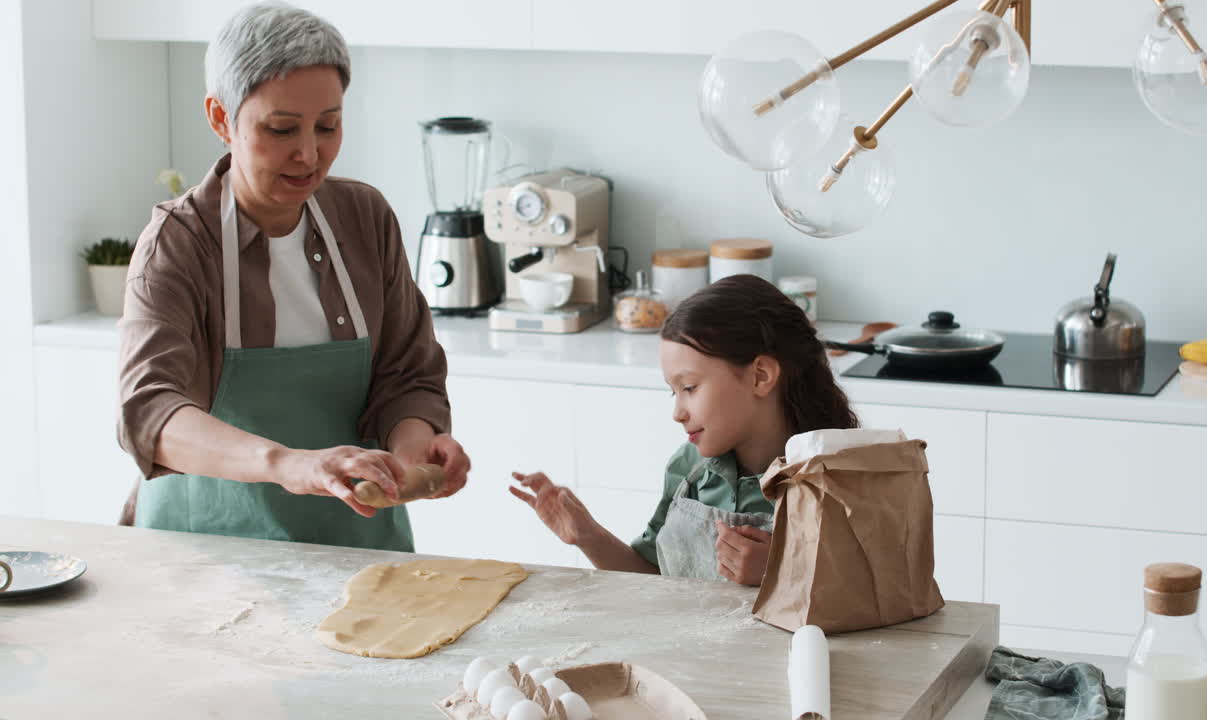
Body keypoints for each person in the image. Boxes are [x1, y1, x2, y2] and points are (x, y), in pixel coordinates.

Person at [116, 3, 469, 552]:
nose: (309, 154)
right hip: (204, 552)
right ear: (220, 118)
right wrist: (293, 466)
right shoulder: (179, 243)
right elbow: (151, 413)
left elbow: (406, 377)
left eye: (328, 125)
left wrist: (410, 456)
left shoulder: (364, 217)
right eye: (281, 129)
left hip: (353, 544)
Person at [510, 274, 859, 584]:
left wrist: (780, 572)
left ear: (760, 376)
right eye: (673, 391)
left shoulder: (841, 478)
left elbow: (877, 598)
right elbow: (653, 583)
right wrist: (587, 535)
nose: (677, 412)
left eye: (690, 388)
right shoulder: (688, 470)